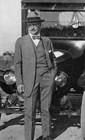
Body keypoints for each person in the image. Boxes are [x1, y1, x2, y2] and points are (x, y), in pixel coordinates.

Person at [14, 11, 57, 140]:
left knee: (45, 109)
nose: (32, 28)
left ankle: (47, 136)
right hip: (29, 81)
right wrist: (20, 82)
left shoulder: (47, 41)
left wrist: (52, 74)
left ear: (40, 26)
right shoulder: (20, 42)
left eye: (35, 25)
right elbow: (17, 64)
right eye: (30, 25)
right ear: (27, 27)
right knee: (29, 111)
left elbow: (53, 58)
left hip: (46, 78)